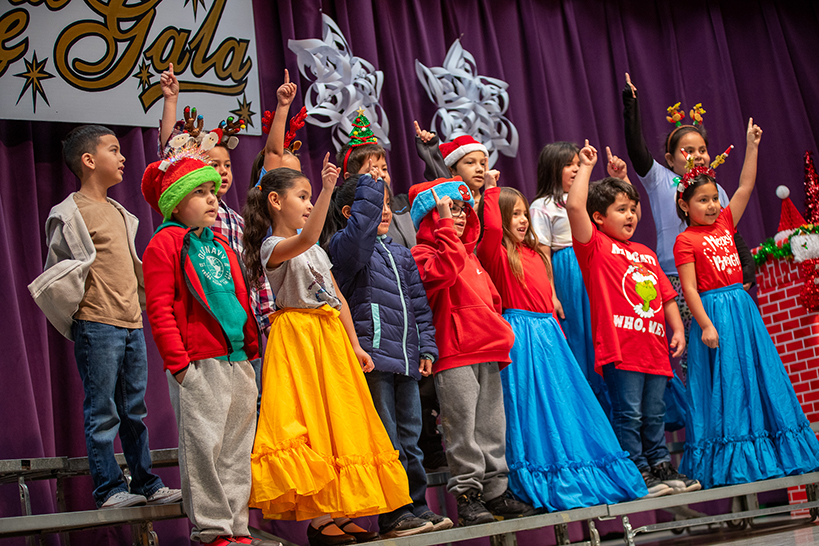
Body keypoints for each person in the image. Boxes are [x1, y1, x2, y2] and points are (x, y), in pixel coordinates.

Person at [242, 161, 410, 546]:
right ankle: (318, 518)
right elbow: (303, 240)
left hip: (329, 337)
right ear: (274, 200)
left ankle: (340, 510)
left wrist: (354, 344)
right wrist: (326, 192)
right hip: (298, 339)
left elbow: (337, 299)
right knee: (310, 421)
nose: (306, 204)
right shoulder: (274, 246)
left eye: (308, 197)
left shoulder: (316, 249)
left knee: (340, 423)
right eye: (300, 197)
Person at [28, 125, 180, 509]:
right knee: (102, 410)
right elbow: (60, 272)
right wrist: (80, 313)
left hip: (131, 323)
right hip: (97, 323)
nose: (123, 156)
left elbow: (129, 264)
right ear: (89, 160)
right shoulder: (69, 212)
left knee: (134, 409)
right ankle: (109, 489)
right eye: (114, 150)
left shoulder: (120, 212)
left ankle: (146, 482)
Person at [475, 180, 648, 510]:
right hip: (521, 337)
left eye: (525, 213)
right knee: (531, 408)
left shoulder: (535, 252)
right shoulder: (495, 253)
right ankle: (541, 475)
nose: (523, 220)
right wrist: (493, 190)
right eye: (514, 215)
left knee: (566, 405)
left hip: (550, 337)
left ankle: (580, 470)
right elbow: (493, 228)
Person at [673, 119, 819, 488]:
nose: (710, 206)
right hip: (716, 313)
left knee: (758, 377)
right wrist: (705, 324)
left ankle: (777, 453)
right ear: (684, 203)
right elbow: (689, 289)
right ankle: (737, 463)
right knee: (729, 384)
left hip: (742, 309)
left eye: (713, 199)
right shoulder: (685, 241)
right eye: (701, 201)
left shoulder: (724, 223)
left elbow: (746, 185)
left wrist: (752, 145)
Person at [141, 151, 277, 546]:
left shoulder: (220, 244)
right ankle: (212, 528)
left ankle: (236, 525)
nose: (212, 198)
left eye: (213, 191)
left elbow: (238, 297)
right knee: (205, 448)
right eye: (199, 192)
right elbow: (161, 308)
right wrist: (179, 366)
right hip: (199, 363)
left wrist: (251, 348)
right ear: (176, 202)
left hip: (237, 361)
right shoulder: (164, 244)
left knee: (235, 448)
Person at [566, 140, 700, 497]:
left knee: (655, 413)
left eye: (634, 209)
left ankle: (659, 464)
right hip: (621, 349)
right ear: (599, 218)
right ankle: (638, 469)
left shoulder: (644, 252)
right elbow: (575, 204)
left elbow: (666, 296)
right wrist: (585, 166)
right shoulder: (593, 247)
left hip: (654, 349)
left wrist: (677, 330)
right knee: (630, 414)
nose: (631, 216)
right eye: (621, 209)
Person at [322, 169, 452, 536]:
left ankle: (417, 507)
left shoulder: (400, 253)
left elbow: (418, 305)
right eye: (374, 205)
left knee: (411, 440)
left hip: (406, 360)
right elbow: (357, 241)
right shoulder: (343, 249)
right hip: (375, 360)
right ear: (351, 213)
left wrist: (426, 345)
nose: (384, 211)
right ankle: (393, 513)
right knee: (388, 440)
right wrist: (369, 180)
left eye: (386, 204)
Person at [409, 177, 535, 525]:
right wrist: (446, 227)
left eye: (463, 210)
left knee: (492, 427)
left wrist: (500, 333)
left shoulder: (472, 258)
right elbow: (444, 272)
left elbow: (492, 300)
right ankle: (468, 495)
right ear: (431, 216)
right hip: (453, 355)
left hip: (485, 352)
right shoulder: (424, 255)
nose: (459, 216)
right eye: (449, 210)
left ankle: (496, 490)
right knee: (462, 428)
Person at [159, 64, 275, 412]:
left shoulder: (237, 221)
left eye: (226, 166)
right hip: (207, 332)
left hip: (243, 328)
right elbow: (171, 154)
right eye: (212, 165)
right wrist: (171, 101)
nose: (221, 172)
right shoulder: (187, 224)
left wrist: (267, 317)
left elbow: (254, 273)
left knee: (250, 411)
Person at [621, 73, 755, 371]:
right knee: (693, 348)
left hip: (713, 280)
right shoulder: (659, 179)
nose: (697, 156)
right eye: (687, 151)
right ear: (670, 159)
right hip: (673, 277)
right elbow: (636, 149)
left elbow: (729, 229)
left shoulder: (715, 189)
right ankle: (697, 408)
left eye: (702, 150)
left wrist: (746, 265)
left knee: (723, 346)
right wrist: (631, 105)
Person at [529, 141, 605, 411]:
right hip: (569, 273)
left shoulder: (588, 199)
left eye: (577, 164)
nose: (575, 169)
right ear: (552, 169)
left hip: (595, 267)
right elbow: (542, 252)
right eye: (568, 165)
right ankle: (585, 406)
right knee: (579, 336)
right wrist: (551, 294)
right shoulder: (542, 206)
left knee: (601, 335)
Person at [413, 122, 496, 207]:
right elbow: (438, 173)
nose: (480, 169)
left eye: (482, 164)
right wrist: (430, 149)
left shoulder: (497, 201)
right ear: (451, 170)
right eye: (470, 162)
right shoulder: (447, 204)